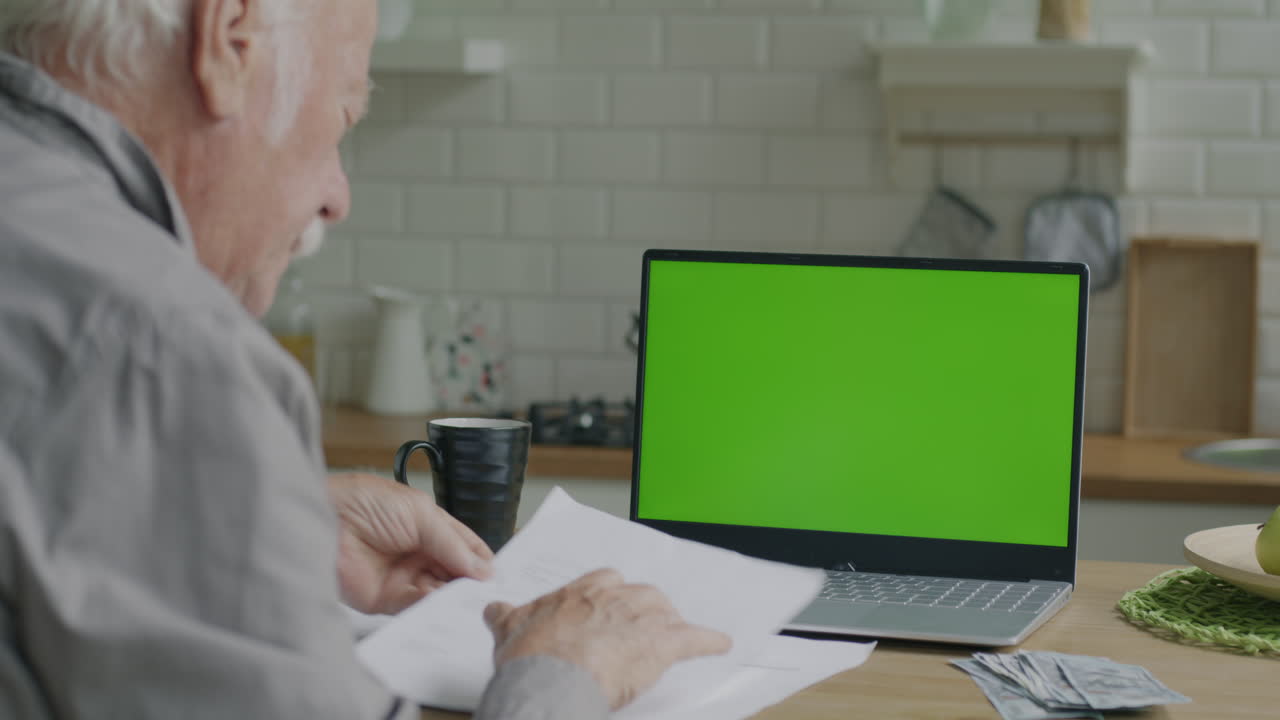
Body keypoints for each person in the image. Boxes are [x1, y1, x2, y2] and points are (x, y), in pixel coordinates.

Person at [0, 1, 730, 718]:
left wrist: (279, 519)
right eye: (342, 120)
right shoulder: (163, 344)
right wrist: (563, 675)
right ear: (229, 37)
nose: (337, 195)